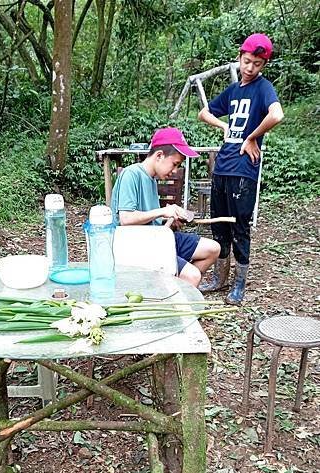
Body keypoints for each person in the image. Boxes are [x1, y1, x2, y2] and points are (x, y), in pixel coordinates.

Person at [198, 33, 284, 304]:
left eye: (257, 64)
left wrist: (251, 137)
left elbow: (277, 114)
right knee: (219, 224)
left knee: (240, 226)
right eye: (247, 62)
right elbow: (204, 113)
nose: (250, 68)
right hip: (222, 166)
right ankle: (219, 278)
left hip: (244, 170)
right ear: (240, 57)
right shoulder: (234, 91)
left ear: (263, 64)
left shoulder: (263, 88)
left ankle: (239, 284)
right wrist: (224, 126)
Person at [110, 127, 220, 287]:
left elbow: (147, 218)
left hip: (156, 238)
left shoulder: (151, 178)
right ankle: (174, 294)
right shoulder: (131, 174)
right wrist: (163, 211)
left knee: (213, 248)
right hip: (137, 247)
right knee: (192, 275)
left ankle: (175, 291)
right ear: (159, 155)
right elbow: (126, 219)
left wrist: (166, 219)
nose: (175, 171)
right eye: (175, 164)